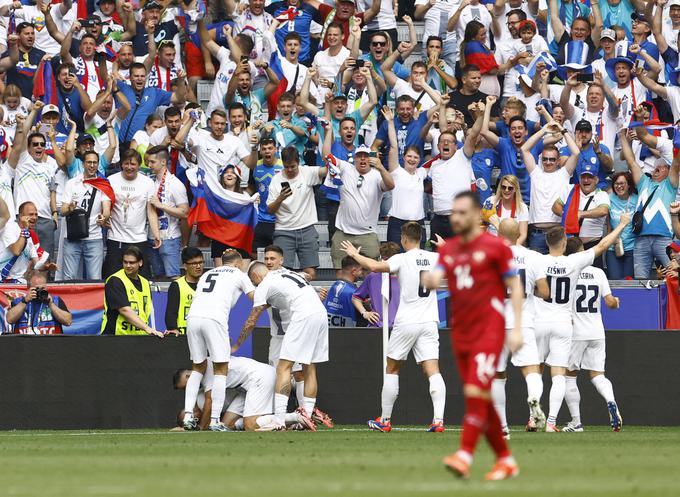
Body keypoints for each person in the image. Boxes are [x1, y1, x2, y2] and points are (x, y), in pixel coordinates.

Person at [423, 191, 524, 481]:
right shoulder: (448, 249)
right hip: (461, 332)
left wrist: (515, 328)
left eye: (462, 212)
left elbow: (514, 287)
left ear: (478, 214)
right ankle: (505, 460)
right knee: (481, 397)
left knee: (474, 393)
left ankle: (465, 454)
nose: (456, 217)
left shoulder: (495, 247)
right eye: (453, 213)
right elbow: (438, 275)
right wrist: (429, 280)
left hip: (489, 329)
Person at [343, 222, 446, 433]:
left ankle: (385, 420)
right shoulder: (435, 258)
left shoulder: (401, 258)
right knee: (433, 370)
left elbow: (373, 267)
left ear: (404, 238)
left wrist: (354, 253)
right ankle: (438, 421)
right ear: (421, 238)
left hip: (407, 321)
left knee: (392, 368)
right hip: (429, 322)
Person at [532, 216, 631, 432]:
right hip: (583, 327)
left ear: (547, 242)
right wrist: (622, 224)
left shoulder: (537, 260)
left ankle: (549, 419)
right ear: (564, 243)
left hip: (556, 325)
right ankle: (554, 421)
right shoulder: (583, 266)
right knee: (585, 374)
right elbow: (603, 245)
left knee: (545, 373)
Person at [232, 262, 329, 431]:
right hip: (320, 314)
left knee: (283, 367)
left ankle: (279, 420)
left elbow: (252, 320)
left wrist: (237, 344)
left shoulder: (264, 285)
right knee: (309, 368)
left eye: (254, 283)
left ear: (256, 277)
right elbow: (307, 275)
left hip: (302, 316)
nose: (255, 286)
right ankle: (306, 415)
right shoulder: (289, 274)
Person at [181, 249, 256, 432]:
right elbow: (256, 298)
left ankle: (188, 416)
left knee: (197, 367)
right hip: (214, 319)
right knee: (221, 370)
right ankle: (215, 420)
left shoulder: (208, 273)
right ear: (238, 263)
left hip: (193, 318)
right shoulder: (239, 274)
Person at [492, 219, 549, 437]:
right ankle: (534, 401)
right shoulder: (534, 257)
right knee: (532, 371)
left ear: (499, 236)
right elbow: (545, 292)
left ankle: (502, 428)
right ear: (519, 236)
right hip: (523, 321)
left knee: (497, 375)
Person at [562, 237, 623, 433]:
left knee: (569, 376)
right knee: (598, 375)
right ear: (582, 250)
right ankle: (611, 400)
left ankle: (576, 422)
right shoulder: (598, 273)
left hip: (575, 332)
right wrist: (616, 302)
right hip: (597, 331)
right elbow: (610, 303)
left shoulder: (568, 270)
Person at [620, 129, 680, 279]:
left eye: (661, 167)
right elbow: (631, 161)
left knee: (673, 277)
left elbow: (677, 164)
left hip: (664, 239)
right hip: (640, 240)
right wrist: (622, 137)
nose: (656, 169)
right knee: (641, 281)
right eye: (655, 167)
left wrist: (677, 146)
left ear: (668, 171)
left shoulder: (670, 185)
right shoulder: (643, 182)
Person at [328, 145, 395, 272]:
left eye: (366, 156)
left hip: (367, 234)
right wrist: (328, 130)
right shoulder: (346, 168)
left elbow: (391, 185)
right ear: (354, 158)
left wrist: (381, 167)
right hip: (344, 232)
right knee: (341, 272)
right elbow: (327, 156)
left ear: (371, 159)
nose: (363, 159)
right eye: (359, 156)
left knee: (371, 273)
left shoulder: (377, 175)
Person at [267, 147, 327, 280]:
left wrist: (327, 133)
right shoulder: (276, 180)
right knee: (280, 274)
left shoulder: (307, 172)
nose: (289, 170)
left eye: (293, 166)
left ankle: (300, 289)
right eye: (286, 166)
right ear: (282, 163)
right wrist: (280, 198)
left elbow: (327, 169)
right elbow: (270, 209)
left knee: (311, 273)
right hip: (284, 230)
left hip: (306, 228)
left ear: (298, 162)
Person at [521, 121, 580, 254]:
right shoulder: (536, 173)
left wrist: (563, 130)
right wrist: (544, 130)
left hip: (557, 232)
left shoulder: (563, 174)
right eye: (545, 159)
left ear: (558, 160)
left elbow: (576, 153)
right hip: (537, 233)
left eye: (552, 159)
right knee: (538, 273)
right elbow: (524, 149)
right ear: (541, 160)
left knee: (558, 271)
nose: (548, 162)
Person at [103, 149, 161, 280]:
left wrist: (156, 234)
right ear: (121, 164)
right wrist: (104, 216)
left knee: (141, 279)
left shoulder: (148, 183)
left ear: (139, 165)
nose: (129, 167)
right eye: (126, 164)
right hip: (115, 237)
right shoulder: (111, 180)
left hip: (138, 239)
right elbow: (106, 204)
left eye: (133, 164)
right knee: (113, 279)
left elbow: (151, 211)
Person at [59, 150, 112, 280]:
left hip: (94, 238)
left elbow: (106, 209)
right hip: (72, 237)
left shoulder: (103, 184)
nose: (92, 165)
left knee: (94, 278)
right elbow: (63, 211)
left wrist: (103, 217)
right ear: (82, 164)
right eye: (89, 162)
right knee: (69, 278)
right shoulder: (72, 183)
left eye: (95, 162)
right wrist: (70, 208)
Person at [552, 164, 610, 269]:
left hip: (592, 246)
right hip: (571, 245)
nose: (586, 180)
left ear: (596, 180)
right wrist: (568, 216)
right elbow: (555, 206)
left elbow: (603, 211)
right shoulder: (570, 190)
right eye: (583, 177)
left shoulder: (602, 195)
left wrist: (580, 214)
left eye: (590, 177)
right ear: (579, 179)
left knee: (593, 277)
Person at [145, 146, 189, 279]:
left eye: (153, 162)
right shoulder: (149, 182)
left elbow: (184, 212)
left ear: (163, 162)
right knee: (158, 278)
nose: (149, 165)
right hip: (151, 236)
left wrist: (161, 206)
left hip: (170, 238)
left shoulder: (175, 184)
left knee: (172, 277)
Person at [100, 247, 164, 337]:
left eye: (132, 262)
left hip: (138, 336)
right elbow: (124, 310)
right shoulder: (115, 280)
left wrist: (145, 329)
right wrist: (147, 328)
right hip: (116, 336)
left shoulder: (145, 282)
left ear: (140, 263)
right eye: (125, 262)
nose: (128, 265)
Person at [6, 270, 72, 334]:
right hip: (24, 344)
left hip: (51, 344)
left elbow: (68, 321)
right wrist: (24, 302)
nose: (40, 291)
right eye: (37, 289)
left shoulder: (55, 300)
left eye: (43, 288)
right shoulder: (19, 302)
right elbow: (9, 319)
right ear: (29, 288)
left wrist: (51, 304)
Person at [352, 241, 401, 328]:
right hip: (377, 326)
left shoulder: (406, 276)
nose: (386, 263)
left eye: (389, 260)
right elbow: (356, 298)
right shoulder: (373, 277)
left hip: (401, 328)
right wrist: (365, 313)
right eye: (384, 259)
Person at [165, 247, 204, 335]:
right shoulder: (177, 285)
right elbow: (171, 311)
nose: (198, 266)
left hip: (202, 336)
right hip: (183, 336)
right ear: (185, 266)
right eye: (194, 263)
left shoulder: (207, 285)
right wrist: (173, 328)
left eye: (200, 262)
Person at [607, 172, 638, 279]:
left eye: (622, 183)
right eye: (616, 184)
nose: (619, 186)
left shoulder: (637, 199)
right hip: (613, 247)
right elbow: (608, 224)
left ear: (629, 184)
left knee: (628, 282)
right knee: (614, 281)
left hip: (632, 247)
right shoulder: (609, 199)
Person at [483, 175, 529, 245]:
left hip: (511, 246)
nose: (506, 190)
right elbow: (482, 223)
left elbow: (523, 235)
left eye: (510, 188)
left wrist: (513, 248)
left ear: (515, 189)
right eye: (503, 187)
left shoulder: (522, 207)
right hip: (490, 245)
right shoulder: (491, 201)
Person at [324, 256, 363, 328]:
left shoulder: (334, 286)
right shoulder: (354, 293)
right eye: (361, 269)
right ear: (354, 271)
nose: (362, 273)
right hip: (348, 335)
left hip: (329, 333)